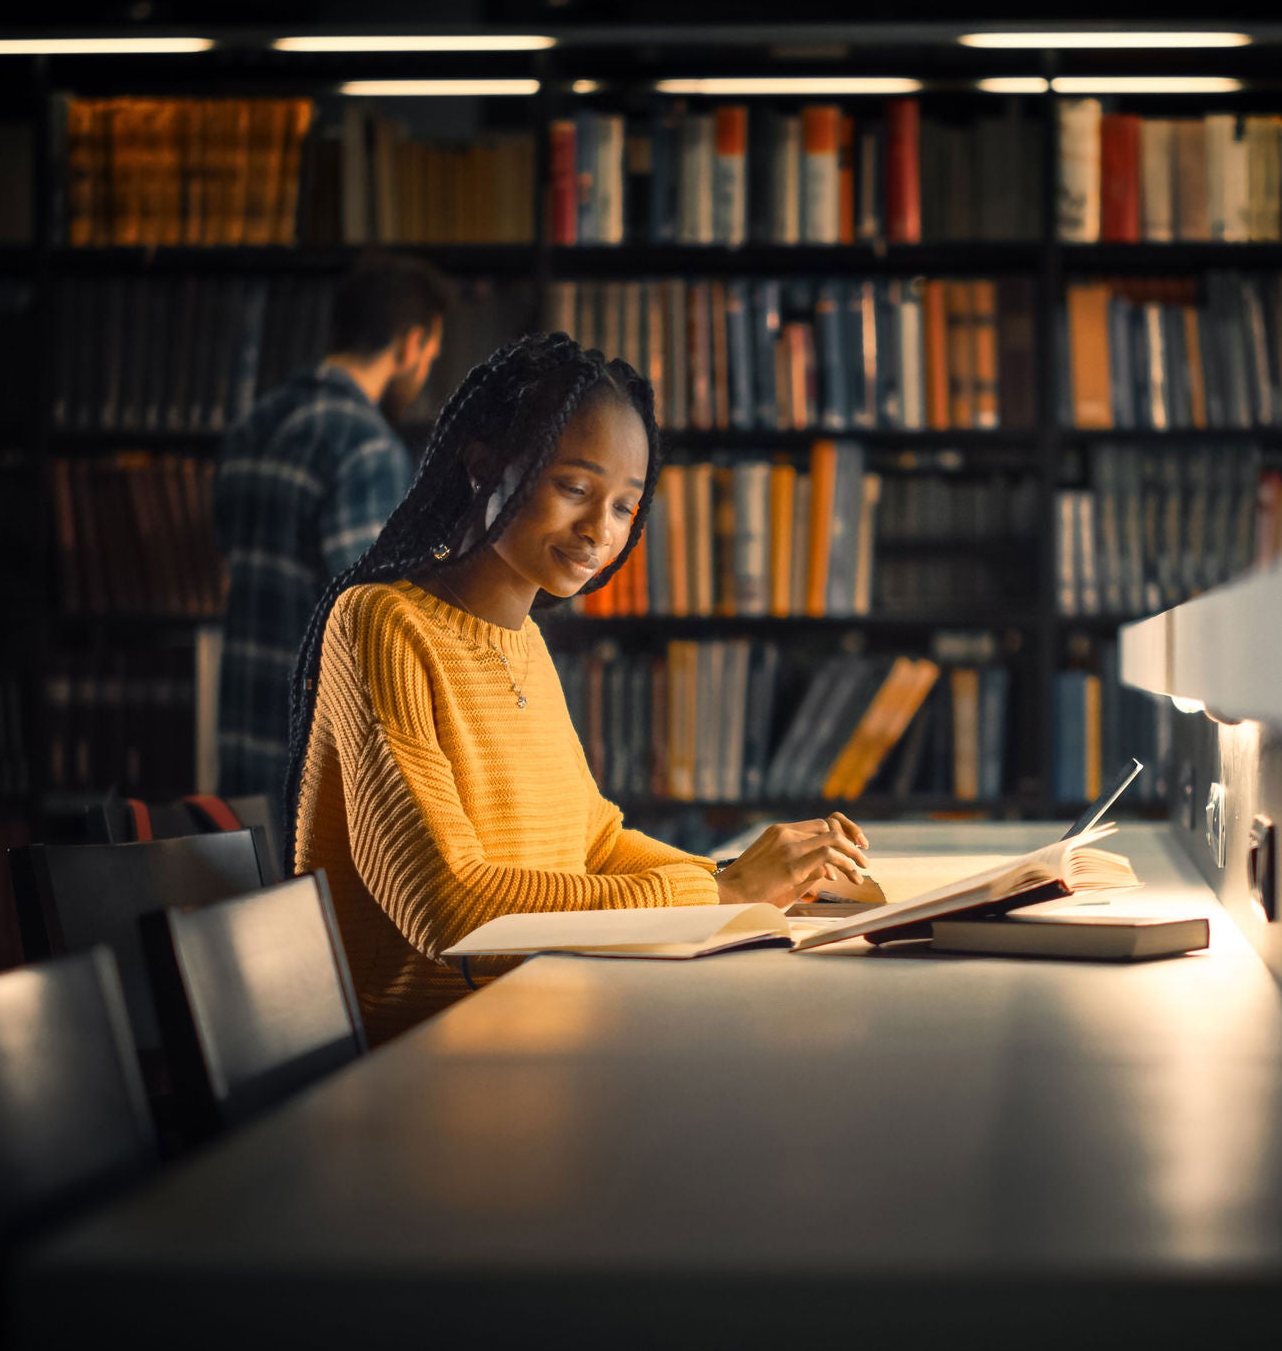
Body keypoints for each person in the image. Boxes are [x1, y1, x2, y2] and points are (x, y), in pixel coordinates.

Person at [284, 331, 872, 1045]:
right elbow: (448, 905)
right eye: (574, 488)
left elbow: (593, 844)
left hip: (545, 1023)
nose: (600, 530)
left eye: (625, 506)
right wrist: (719, 891)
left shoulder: (526, 642)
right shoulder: (379, 622)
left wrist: (763, 881)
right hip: (424, 1057)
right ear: (483, 466)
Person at [213, 253, 453, 803]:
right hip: (312, 766)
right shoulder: (364, 446)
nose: (424, 372)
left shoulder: (253, 426)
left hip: (240, 748)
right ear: (410, 344)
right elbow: (366, 627)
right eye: (430, 355)